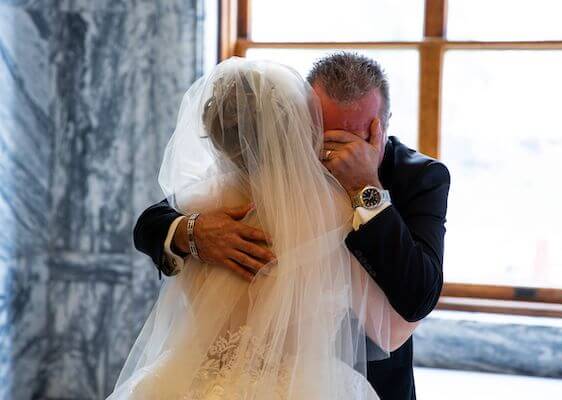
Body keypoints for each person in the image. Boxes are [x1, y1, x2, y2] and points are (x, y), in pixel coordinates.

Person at [133, 53, 450, 400]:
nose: (336, 155)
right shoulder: (248, 180)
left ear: (384, 124)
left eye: (355, 138)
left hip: (366, 381)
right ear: (301, 121)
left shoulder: (420, 177)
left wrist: (366, 189)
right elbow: (152, 222)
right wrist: (191, 232)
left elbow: (418, 297)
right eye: (324, 137)